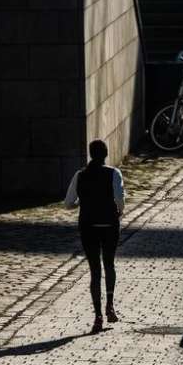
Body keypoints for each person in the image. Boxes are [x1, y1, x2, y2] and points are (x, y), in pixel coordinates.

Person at [64, 139, 125, 334]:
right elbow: (119, 199)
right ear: (106, 154)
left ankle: (98, 315)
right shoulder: (114, 173)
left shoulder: (80, 175)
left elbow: (68, 203)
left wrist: (82, 202)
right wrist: (119, 212)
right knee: (109, 263)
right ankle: (110, 305)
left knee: (94, 270)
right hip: (109, 225)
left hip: (88, 226)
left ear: (90, 154)